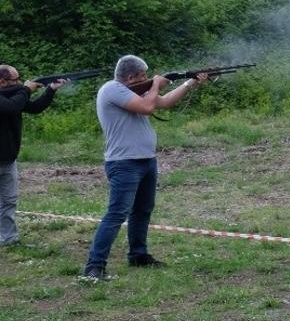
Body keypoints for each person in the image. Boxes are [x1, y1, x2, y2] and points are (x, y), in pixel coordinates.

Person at [80, 55, 206, 282]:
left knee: (142, 210)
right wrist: (156, 84)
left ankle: (138, 255)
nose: (147, 78)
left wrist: (190, 83)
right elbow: (148, 107)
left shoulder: (131, 91)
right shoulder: (112, 89)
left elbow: (164, 102)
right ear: (131, 77)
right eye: (143, 76)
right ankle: (94, 266)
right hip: (124, 163)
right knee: (116, 214)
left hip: (146, 160)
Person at [0, 66, 68, 246]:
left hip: (8, 160)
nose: (20, 83)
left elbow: (35, 108)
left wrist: (50, 90)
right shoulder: (13, 99)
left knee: (8, 201)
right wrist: (26, 89)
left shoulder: (14, 96)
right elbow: (10, 108)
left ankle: (8, 239)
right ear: (2, 82)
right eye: (15, 80)